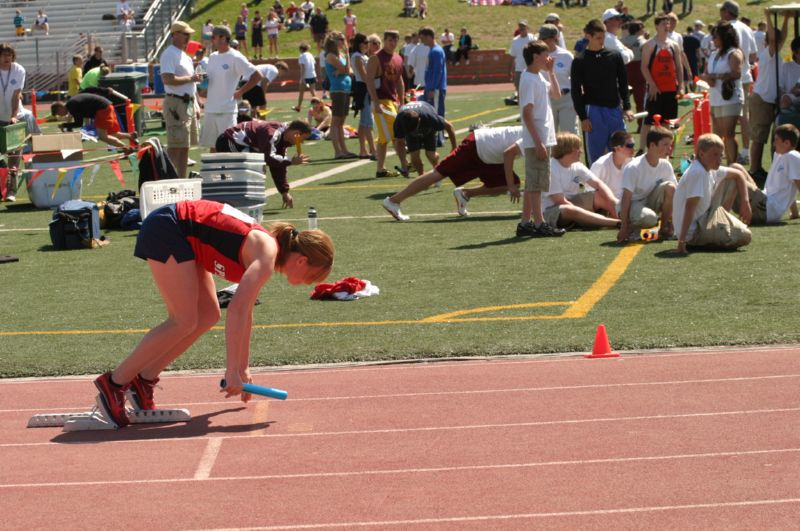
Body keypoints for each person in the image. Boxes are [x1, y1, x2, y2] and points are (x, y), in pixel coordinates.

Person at [91, 199, 333, 428]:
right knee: (183, 320)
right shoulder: (266, 255)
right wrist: (231, 371)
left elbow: (246, 313)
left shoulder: (267, 253)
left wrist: (243, 368)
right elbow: (236, 311)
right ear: (302, 261)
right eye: (313, 277)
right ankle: (114, 382)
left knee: (207, 316)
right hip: (168, 227)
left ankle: (143, 380)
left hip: (185, 237)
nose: (308, 284)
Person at [382, 125, 524, 221]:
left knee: (512, 184)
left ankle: (465, 194)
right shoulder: (537, 134)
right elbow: (508, 154)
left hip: (490, 155)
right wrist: (511, 185)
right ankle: (393, 201)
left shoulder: (540, 132)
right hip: (477, 145)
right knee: (437, 174)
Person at [673, 133, 752, 254]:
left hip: (705, 217)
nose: (719, 159)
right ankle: (705, 238)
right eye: (715, 155)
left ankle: (722, 220)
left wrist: (745, 202)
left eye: (721, 155)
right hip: (695, 232)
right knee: (745, 236)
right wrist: (682, 241)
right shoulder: (697, 173)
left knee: (732, 179)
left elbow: (739, 174)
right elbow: (690, 207)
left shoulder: (708, 167)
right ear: (701, 154)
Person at [516, 41, 564, 238]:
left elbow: (557, 94)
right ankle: (539, 223)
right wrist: (538, 142)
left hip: (542, 137)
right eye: (545, 54)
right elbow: (527, 114)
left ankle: (525, 222)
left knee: (533, 183)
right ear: (535, 56)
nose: (549, 58)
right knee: (537, 184)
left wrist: (551, 72)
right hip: (538, 138)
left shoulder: (538, 76)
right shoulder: (528, 79)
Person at [571, 19, 633, 164]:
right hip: (593, 113)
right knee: (596, 158)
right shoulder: (580, 60)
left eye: (603, 37)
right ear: (588, 36)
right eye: (598, 38)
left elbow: (623, 83)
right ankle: (594, 186)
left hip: (614, 111)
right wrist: (583, 117)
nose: (602, 41)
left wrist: (627, 107)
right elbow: (576, 91)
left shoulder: (614, 56)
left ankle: (622, 185)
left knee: (622, 152)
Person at [215, 119, 312, 209]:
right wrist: (291, 161)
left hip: (244, 146)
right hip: (229, 142)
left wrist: (284, 192)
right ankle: (231, 201)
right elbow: (268, 158)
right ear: (297, 134)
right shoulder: (272, 133)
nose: (302, 142)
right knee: (256, 169)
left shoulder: (282, 139)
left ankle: (238, 201)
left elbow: (278, 166)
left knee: (258, 167)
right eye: (302, 139)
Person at [199, 26, 261, 152]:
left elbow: (257, 75)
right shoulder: (213, 56)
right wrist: (203, 88)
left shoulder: (235, 57)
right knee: (213, 147)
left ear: (223, 38)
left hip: (226, 111)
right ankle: (216, 172)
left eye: (213, 37)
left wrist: (241, 91)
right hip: (210, 109)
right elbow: (211, 80)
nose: (211, 40)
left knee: (227, 147)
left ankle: (227, 172)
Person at [542, 132, 621, 230]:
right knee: (569, 210)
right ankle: (616, 223)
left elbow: (598, 184)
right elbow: (559, 201)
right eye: (577, 148)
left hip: (571, 203)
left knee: (600, 194)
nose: (581, 151)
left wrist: (613, 201)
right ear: (567, 149)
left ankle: (618, 217)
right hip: (552, 211)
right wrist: (585, 214)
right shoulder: (551, 168)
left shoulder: (576, 165)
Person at [616, 126, 677, 242]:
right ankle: (631, 228)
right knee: (650, 218)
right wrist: (623, 226)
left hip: (649, 203)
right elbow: (626, 198)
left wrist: (674, 221)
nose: (669, 149)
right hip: (632, 205)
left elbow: (675, 195)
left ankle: (664, 228)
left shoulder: (666, 165)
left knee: (671, 187)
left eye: (670, 145)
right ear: (652, 145)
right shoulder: (634, 167)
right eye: (665, 145)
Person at [733, 124, 800, 226]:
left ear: (786, 143)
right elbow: (788, 186)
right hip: (764, 201)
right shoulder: (780, 155)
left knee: (734, 175)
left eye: (776, 140)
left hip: (767, 209)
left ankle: (715, 215)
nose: (773, 144)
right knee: (737, 167)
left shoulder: (793, 156)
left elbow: (798, 184)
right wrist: (795, 213)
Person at [160, 21, 203, 179]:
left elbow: (190, 84)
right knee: (175, 146)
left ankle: (182, 180)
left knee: (185, 146)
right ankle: (170, 181)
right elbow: (167, 79)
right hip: (176, 104)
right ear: (175, 34)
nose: (188, 37)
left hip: (187, 103)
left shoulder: (184, 55)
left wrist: (196, 104)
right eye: (185, 34)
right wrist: (191, 78)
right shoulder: (169, 54)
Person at [749, 11, 788, 185]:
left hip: (770, 100)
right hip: (762, 99)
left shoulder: (776, 55)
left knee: (769, 137)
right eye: (776, 41)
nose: (779, 43)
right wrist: (768, 18)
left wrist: (787, 19)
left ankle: (760, 169)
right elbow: (774, 39)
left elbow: (781, 38)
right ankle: (754, 170)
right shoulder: (767, 53)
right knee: (759, 138)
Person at [719, 0, 758, 166]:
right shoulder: (747, 28)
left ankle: (725, 151)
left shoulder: (727, 28)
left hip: (730, 77)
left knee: (724, 116)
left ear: (727, 11)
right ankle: (745, 151)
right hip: (745, 76)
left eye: (722, 10)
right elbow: (754, 56)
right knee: (743, 116)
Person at [699, 22, 743, 166]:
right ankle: (717, 164)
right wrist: (707, 78)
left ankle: (732, 164)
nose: (713, 40)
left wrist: (716, 76)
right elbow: (705, 73)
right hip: (716, 97)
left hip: (730, 98)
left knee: (729, 133)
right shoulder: (713, 54)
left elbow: (736, 73)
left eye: (716, 37)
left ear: (724, 37)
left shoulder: (734, 53)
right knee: (717, 135)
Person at [639, 14, 684, 149]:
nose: (667, 26)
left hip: (670, 89)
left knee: (667, 122)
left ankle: (666, 151)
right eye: (664, 24)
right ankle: (641, 149)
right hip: (655, 90)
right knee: (648, 122)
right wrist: (652, 85)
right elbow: (644, 67)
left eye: (668, 23)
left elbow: (679, 67)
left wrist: (681, 86)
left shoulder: (673, 45)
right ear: (657, 26)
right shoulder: (650, 45)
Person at [366, 30, 405, 178]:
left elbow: (399, 80)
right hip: (382, 101)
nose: (393, 43)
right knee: (397, 132)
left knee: (383, 138)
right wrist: (375, 102)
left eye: (395, 40)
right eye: (390, 40)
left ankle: (380, 169)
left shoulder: (398, 57)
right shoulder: (376, 58)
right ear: (385, 40)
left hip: (393, 100)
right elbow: (369, 80)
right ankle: (405, 163)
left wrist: (402, 100)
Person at [51, 92, 136, 149]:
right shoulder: (72, 103)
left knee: (103, 136)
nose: (61, 115)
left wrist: (64, 125)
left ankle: (127, 149)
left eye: (59, 113)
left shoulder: (71, 106)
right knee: (112, 134)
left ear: (60, 108)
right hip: (108, 106)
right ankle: (131, 136)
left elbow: (79, 123)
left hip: (102, 110)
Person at [393, 100, 456, 176]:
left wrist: (454, 148)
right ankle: (422, 176)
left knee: (431, 156)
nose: (415, 134)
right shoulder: (399, 121)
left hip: (428, 128)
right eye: (411, 132)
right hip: (413, 126)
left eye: (415, 130)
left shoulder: (430, 117)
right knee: (414, 158)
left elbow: (449, 127)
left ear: (419, 120)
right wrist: (404, 165)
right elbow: (400, 143)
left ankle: (437, 170)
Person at [538, 24, 575, 134]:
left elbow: (575, 79)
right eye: (541, 38)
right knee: (548, 134)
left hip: (566, 100)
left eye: (545, 38)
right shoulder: (537, 55)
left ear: (554, 38)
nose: (542, 41)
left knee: (569, 133)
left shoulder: (566, 55)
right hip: (547, 100)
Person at [324, 31, 356, 159]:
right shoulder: (331, 55)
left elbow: (350, 71)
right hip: (337, 89)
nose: (343, 42)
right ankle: (338, 151)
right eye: (341, 40)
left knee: (341, 122)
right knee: (336, 120)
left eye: (344, 40)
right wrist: (348, 54)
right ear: (334, 41)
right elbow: (347, 69)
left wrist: (343, 70)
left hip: (345, 89)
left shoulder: (340, 55)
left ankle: (344, 150)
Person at [0, 43, 25, 202]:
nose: (6, 57)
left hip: (15, 118)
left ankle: (11, 191)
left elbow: (16, 95)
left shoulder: (18, 70)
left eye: (9, 54)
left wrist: (14, 116)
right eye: (3, 54)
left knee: (14, 157)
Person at [351, 33, 376, 159]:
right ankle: (373, 149)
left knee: (363, 121)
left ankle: (363, 149)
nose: (368, 45)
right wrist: (372, 89)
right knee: (367, 121)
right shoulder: (357, 56)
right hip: (363, 88)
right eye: (366, 42)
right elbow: (364, 75)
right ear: (359, 43)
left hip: (364, 87)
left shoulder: (362, 56)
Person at [590, 130, 634, 199]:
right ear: (617, 148)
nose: (633, 149)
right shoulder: (600, 165)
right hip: (606, 205)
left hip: (626, 202)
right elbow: (591, 192)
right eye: (629, 146)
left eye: (633, 145)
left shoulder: (631, 162)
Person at [420, 27, 446, 140]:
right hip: (431, 87)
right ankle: (435, 136)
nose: (421, 41)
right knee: (432, 112)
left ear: (429, 37)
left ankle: (439, 138)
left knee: (436, 113)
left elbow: (437, 71)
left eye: (422, 38)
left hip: (435, 88)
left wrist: (432, 88)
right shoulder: (433, 50)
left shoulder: (436, 51)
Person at [508, 20, 535, 101]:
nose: (522, 29)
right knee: (520, 91)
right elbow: (512, 56)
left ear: (527, 28)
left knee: (532, 90)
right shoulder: (515, 40)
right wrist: (510, 70)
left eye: (523, 27)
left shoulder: (533, 38)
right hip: (519, 70)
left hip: (531, 69)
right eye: (520, 27)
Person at [294, 42, 317, 112]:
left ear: (301, 49)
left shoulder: (302, 56)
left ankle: (298, 106)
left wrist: (302, 78)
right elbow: (313, 64)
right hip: (312, 75)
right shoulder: (310, 55)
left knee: (301, 93)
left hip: (306, 76)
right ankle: (318, 106)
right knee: (313, 92)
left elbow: (303, 67)